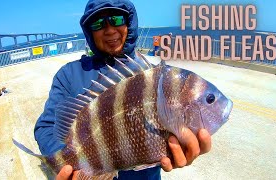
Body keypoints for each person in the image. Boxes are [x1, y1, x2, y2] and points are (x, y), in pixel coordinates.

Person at [34, 0, 211, 179]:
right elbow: (46, 126)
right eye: (98, 24)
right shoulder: (69, 75)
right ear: (89, 32)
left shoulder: (154, 77)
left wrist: (179, 148)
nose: (110, 30)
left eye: (117, 20)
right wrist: (66, 159)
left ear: (129, 23)